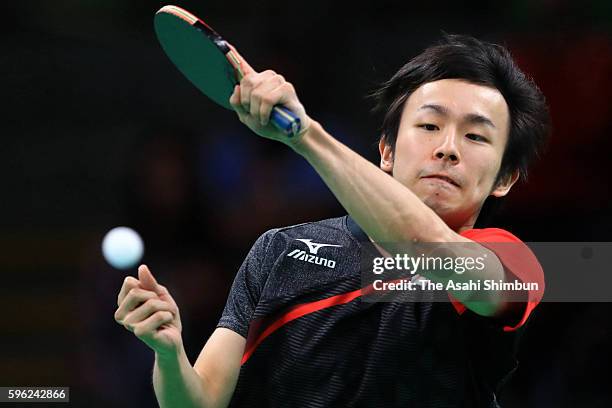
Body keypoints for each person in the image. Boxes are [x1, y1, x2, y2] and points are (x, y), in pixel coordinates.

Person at [114, 34, 550, 407]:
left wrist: (305, 135)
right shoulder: (280, 250)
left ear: (505, 179)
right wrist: (169, 355)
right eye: (430, 126)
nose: (448, 148)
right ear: (387, 152)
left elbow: (425, 245)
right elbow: (202, 400)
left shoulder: (514, 267)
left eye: (475, 136)